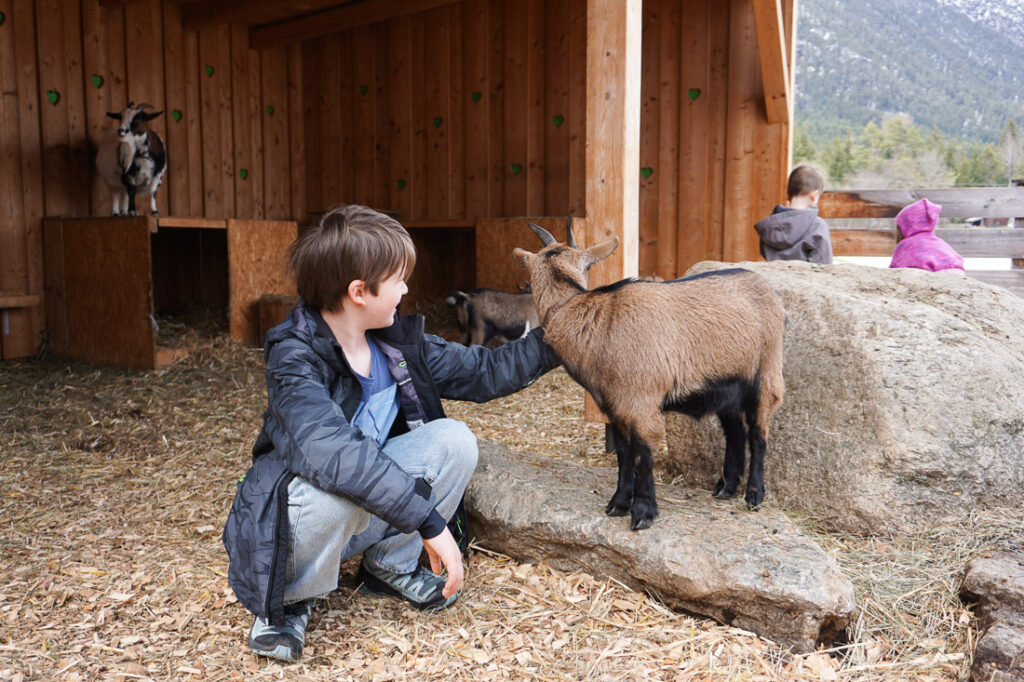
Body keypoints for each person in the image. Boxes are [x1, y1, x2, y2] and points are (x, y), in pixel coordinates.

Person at [222, 205, 561, 662]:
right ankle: (286, 601)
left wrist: (565, 331)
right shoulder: (293, 355)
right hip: (301, 513)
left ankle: (389, 566)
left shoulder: (395, 340)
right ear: (359, 291)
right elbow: (333, 455)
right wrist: (428, 520)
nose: (406, 288)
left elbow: (485, 371)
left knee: (455, 441)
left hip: (362, 505)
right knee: (332, 491)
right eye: (399, 278)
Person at [754, 164, 834, 264]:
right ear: (813, 195)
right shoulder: (817, 226)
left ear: (787, 194)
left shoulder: (771, 225)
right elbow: (824, 264)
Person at [889, 198, 965, 274]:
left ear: (905, 226)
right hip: (957, 274)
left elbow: (895, 271)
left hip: (932, 278)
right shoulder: (939, 242)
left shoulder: (906, 244)